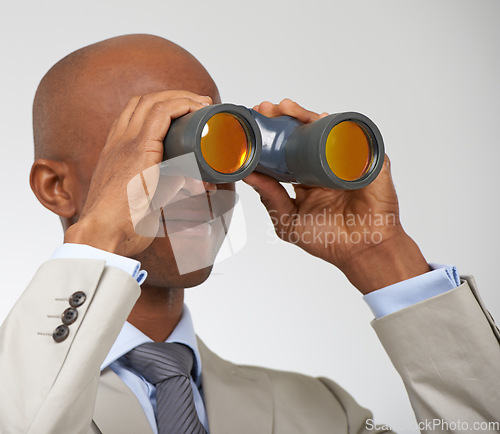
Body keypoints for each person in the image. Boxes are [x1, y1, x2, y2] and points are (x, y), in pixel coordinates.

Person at [0, 33, 499, 434]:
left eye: (210, 144)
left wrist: (383, 257)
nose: (199, 186)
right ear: (55, 187)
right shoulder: (15, 394)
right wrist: (102, 234)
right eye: (152, 149)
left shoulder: (322, 415)